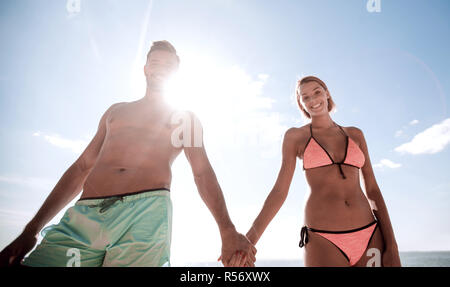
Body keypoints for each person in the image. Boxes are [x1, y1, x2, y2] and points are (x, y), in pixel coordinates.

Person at [0, 40, 256, 267]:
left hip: (145, 213)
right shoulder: (116, 112)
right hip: (87, 214)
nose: (160, 68)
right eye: (155, 62)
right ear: (145, 69)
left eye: (168, 64)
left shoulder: (184, 117)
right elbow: (81, 167)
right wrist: (31, 230)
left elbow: (201, 172)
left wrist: (227, 229)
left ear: (176, 73)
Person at [229, 76, 401, 267]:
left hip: (370, 234)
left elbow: (373, 190)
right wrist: (250, 240)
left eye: (317, 92)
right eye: (305, 97)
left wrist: (392, 246)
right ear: (301, 103)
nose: (313, 100)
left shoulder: (355, 134)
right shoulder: (295, 136)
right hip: (324, 238)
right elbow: (280, 191)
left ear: (327, 93)